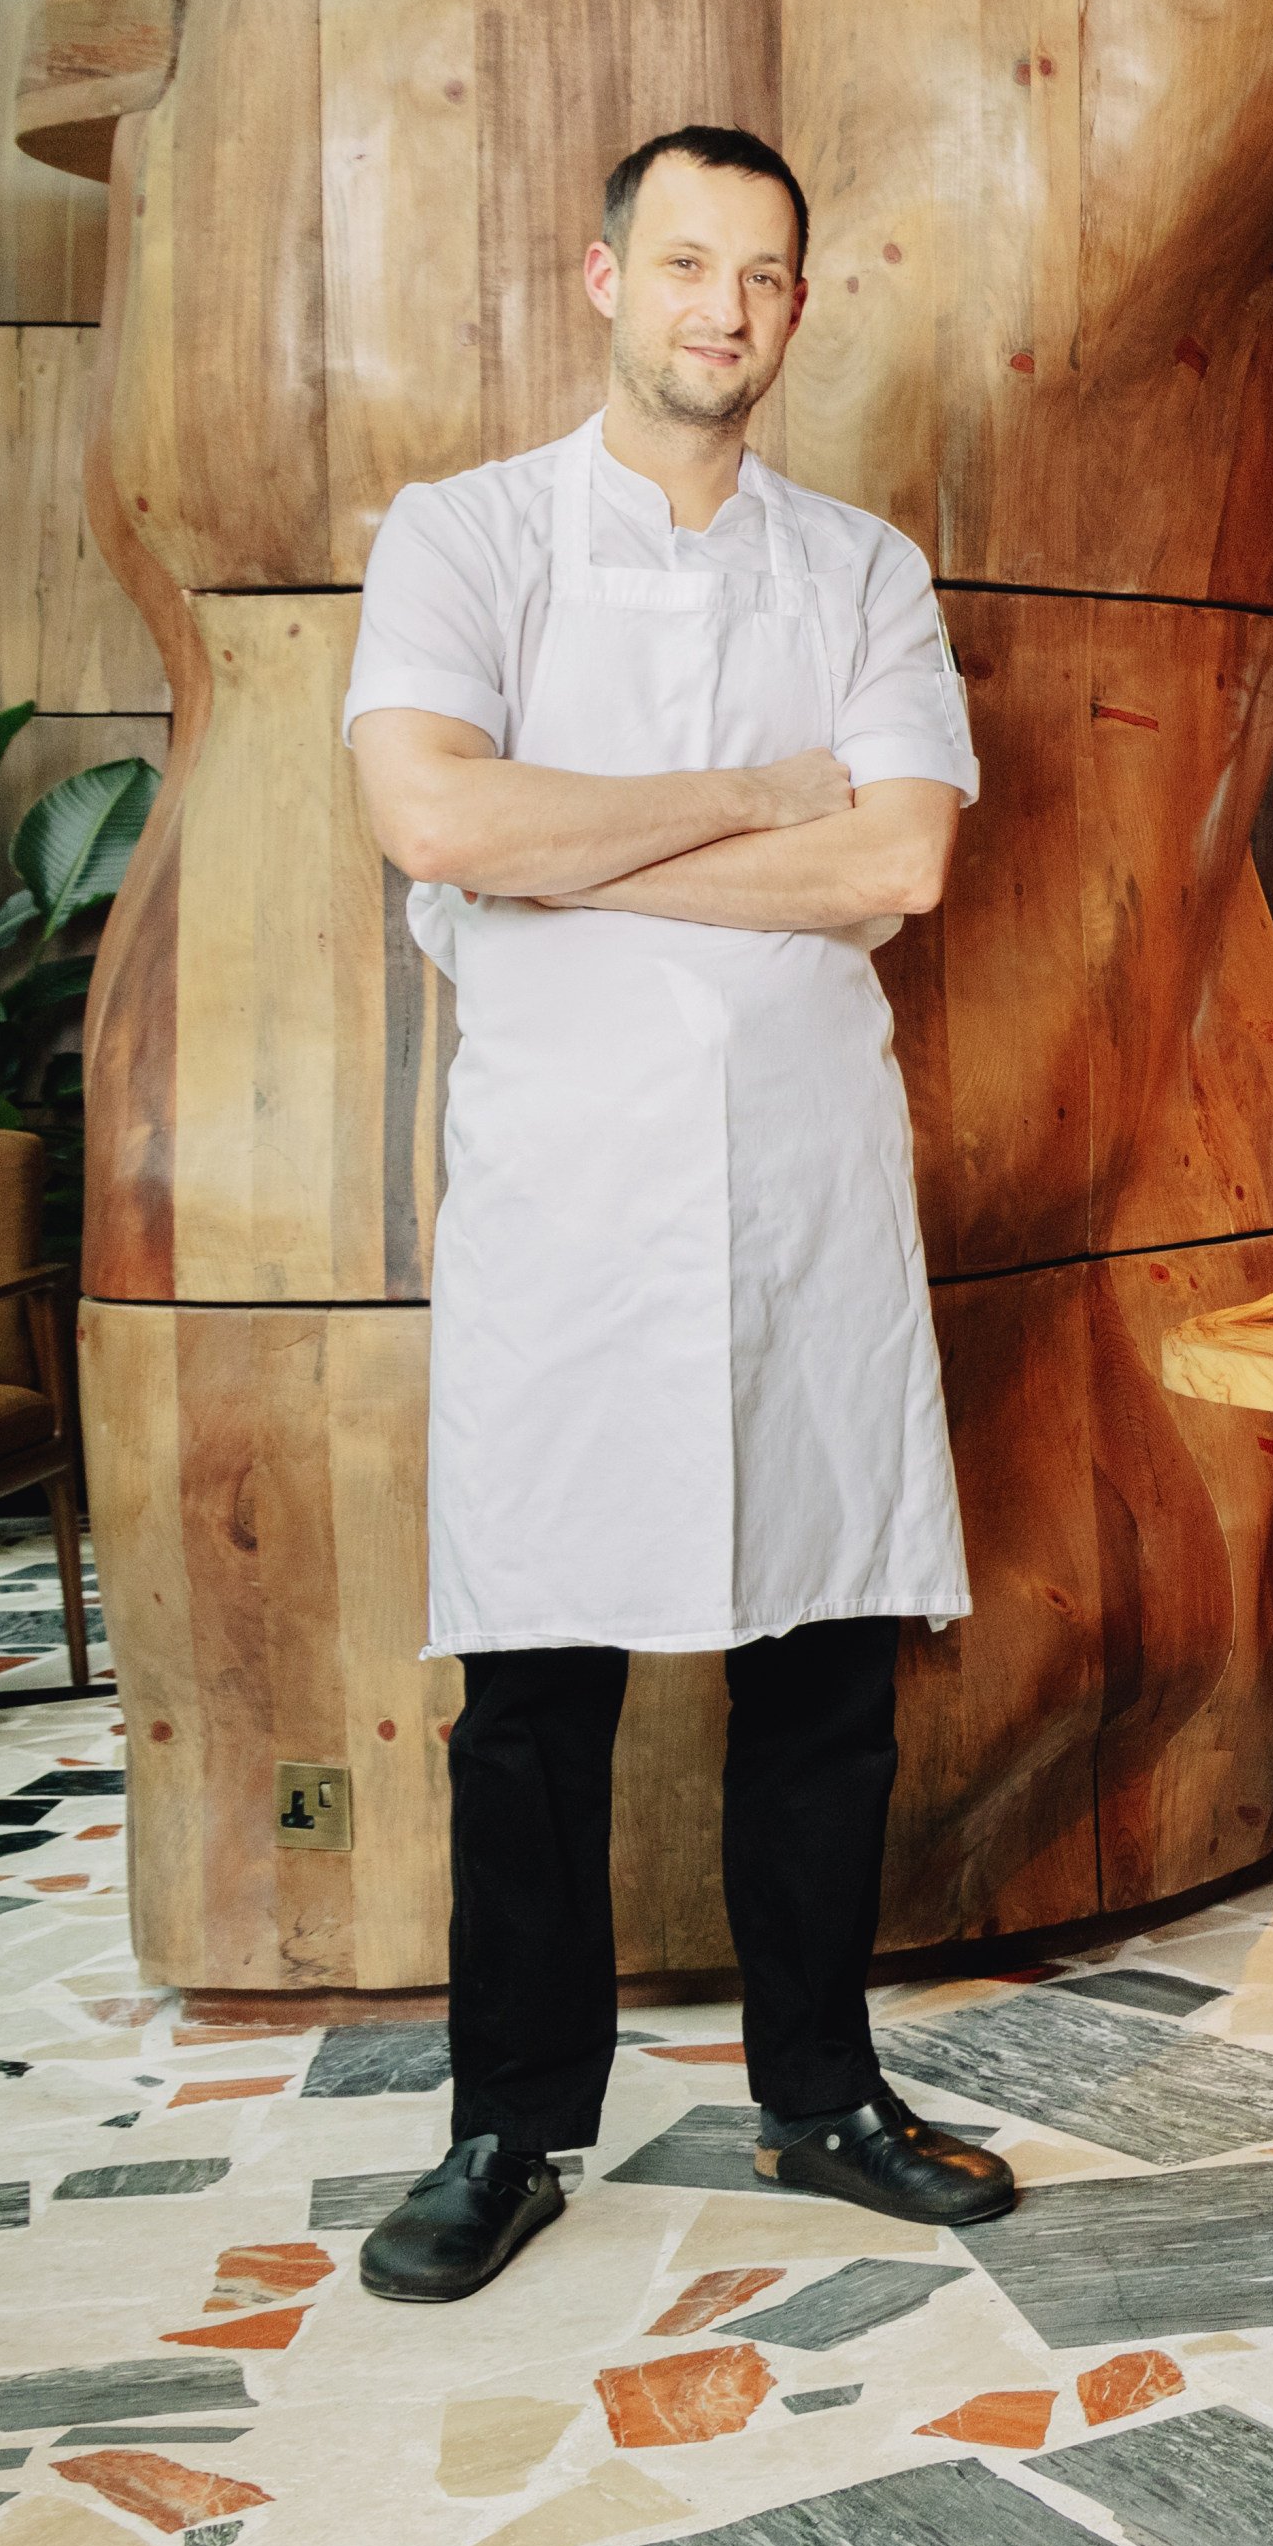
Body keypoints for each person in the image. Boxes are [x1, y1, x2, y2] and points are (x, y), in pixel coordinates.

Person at [338, 125, 1015, 2301]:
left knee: (823, 1667)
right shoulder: (461, 538)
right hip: (567, 1197)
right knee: (535, 1687)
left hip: (808, 1180)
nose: (726, 306)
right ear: (605, 271)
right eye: (688, 262)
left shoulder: (861, 571)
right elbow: (427, 807)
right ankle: (503, 2128)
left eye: (768, 275)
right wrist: (746, 791)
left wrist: (559, 848)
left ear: (799, 310)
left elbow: (894, 863)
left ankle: (819, 2088)